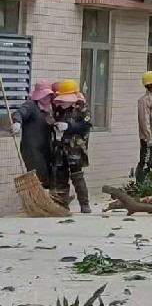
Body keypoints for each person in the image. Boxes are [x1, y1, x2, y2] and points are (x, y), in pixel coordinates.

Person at [49, 80, 92, 213]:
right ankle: (62, 204)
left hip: (75, 149)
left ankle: (84, 204)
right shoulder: (58, 110)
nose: (63, 102)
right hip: (60, 148)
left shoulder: (81, 108)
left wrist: (69, 127)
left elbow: (86, 126)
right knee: (61, 177)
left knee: (77, 176)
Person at [9, 80, 55, 188]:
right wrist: (17, 123)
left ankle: (53, 201)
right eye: (43, 95)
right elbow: (19, 113)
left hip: (46, 148)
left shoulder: (50, 109)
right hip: (31, 149)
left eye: (48, 95)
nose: (45, 98)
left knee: (51, 174)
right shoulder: (31, 105)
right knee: (40, 175)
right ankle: (41, 202)